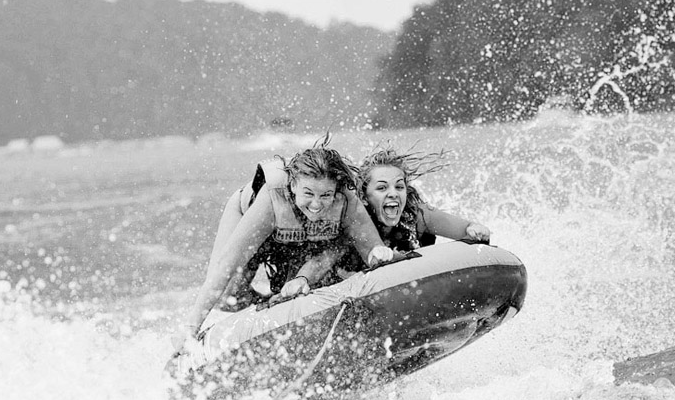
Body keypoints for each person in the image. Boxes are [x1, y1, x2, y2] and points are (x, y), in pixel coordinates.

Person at [179, 136, 393, 345]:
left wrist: (378, 254)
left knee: (300, 287)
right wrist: (191, 328)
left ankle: (281, 302)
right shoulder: (272, 199)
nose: (317, 204)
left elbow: (372, 250)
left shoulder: (346, 200)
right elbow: (226, 264)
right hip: (250, 219)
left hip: (303, 236)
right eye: (308, 193)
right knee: (229, 296)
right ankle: (261, 307)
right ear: (293, 186)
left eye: (326, 195)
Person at [319, 146, 491, 278]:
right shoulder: (354, 222)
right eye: (382, 187)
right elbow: (325, 260)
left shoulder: (419, 216)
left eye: (399, 187)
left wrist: (474, 229)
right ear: (364, 197)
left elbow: (466, 231)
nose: (393, 193)